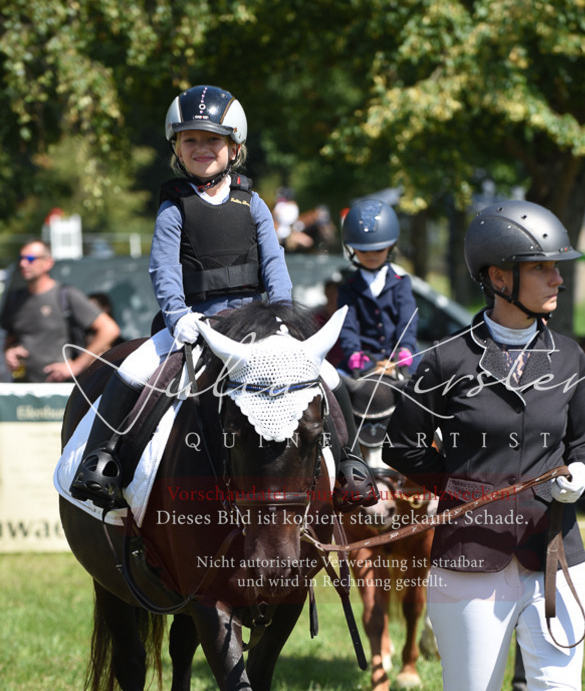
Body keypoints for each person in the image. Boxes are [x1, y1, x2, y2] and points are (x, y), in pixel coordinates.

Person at [384, 200, 585, 691]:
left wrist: (584, 476)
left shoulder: (568, 357)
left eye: (555, 267)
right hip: (469, 555)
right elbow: (401, 446)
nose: (556, 280)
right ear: (498, 275)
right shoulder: (442, 363)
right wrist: (455, 482)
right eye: (543, 267)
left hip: (555, 558)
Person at [69, 84, 376, 513]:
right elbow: (164, 268)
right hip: (195, 324)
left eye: (212, 139)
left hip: (256, 324)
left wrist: (280, 319)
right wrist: (177, 316)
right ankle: (102, 461)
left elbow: (275, 267)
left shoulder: (253, 204)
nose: (201, 147)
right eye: (190, 139)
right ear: (176, 146)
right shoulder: (174, 206)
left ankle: (350, 466)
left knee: (327, 374)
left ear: (234, 146)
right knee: (134, 369)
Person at [1, 241, 120, 382]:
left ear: (48, 263)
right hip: (24, 391)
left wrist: (76, 366)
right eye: (21, 259)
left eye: (31, 259)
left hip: (58, 392)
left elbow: (110, 329)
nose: (23, 264)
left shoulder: (65, 295)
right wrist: (10, 352)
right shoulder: (15, 299)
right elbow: (9, 339)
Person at [338, 199, 418, 374]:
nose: (371, 256)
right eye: (364, 251)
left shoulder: (401, 282)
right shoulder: (348, 288)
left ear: (390, 246)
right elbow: (347, 326)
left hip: (400, 358)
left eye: (378, 250)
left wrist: (405, 347)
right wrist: (353, 352)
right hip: (363, 361)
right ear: (352, 249)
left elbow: (408, 320)